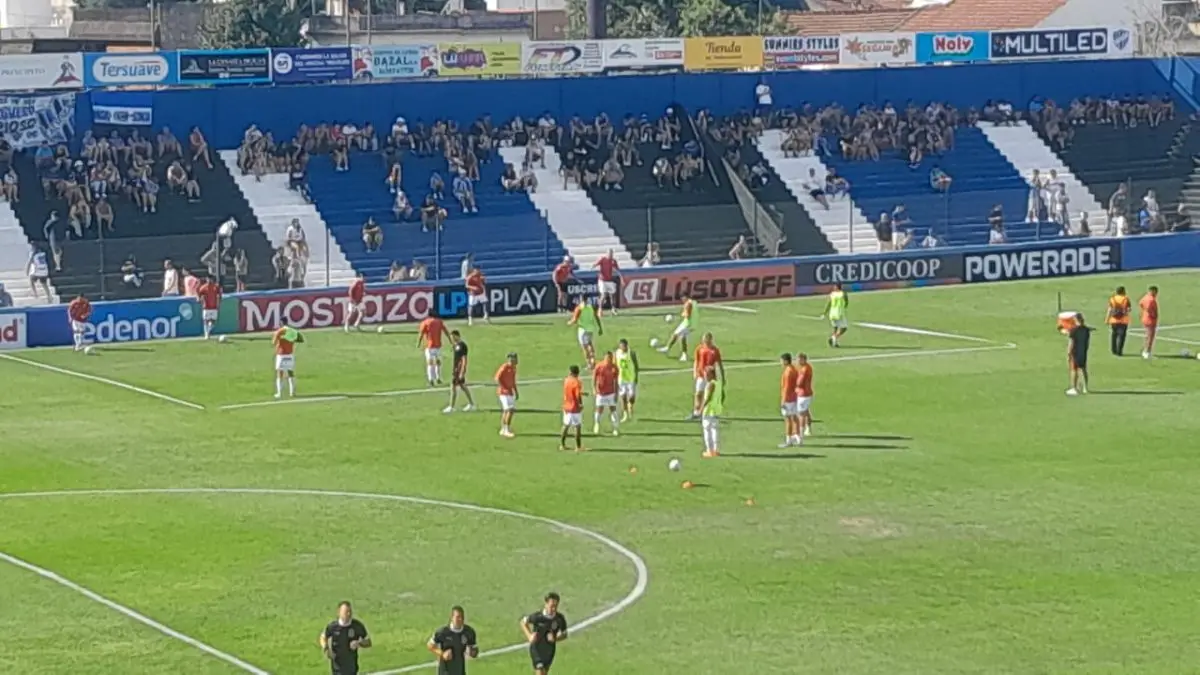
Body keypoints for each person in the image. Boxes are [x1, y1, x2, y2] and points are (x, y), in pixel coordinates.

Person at [520, 592, 568, 675]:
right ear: (546, 604)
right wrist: (529, 636)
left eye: (555, 606)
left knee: (544, 673)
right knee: (540, 672)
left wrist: (555, 638)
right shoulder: (537, 617)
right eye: (551, 606)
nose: (553, 609)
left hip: (549, 650)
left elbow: (564, 634)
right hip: (537, 648)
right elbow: (523, 622)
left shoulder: (559, 618)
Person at [320, 601, 370, 675]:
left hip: (352, 668)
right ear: (339, 613)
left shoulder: (357, 626)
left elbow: (368, 642)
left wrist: (359, 643)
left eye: (350, 612)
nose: (349, 614)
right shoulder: (333, 627)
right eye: (346, 612)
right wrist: (326, 649)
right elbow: (323, 637)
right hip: (337, 668)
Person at [427, 605, 478, 675]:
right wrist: (443, 654)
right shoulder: (443, 632)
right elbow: (430, 645)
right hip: (445, 671)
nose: (460, 619)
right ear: (452, 617)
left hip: (460, 671)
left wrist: (473, 652)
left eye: (462, 617)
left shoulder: (468, 632)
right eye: (458, 617)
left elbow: (474, 649)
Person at [690, 332, 725, 420]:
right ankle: (696, 412)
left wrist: (723, 376)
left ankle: (711, 412)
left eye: (708, 339)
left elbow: (719, 364)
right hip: (701, 375)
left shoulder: (715, 350)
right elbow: (696, 361)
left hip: (710, 376)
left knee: (710, 395)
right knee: (698, 393)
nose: (706, 341)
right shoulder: (699, 349)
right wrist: (694, 372)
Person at [656, 293, 696, 362]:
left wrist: (683, 314)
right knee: (681, 336)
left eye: (682, 298)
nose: (682, 300)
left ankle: (668, 348)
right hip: (691, 322)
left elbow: (687, 315)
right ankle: (683, 354)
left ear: (685, 297)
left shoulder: (688, 303)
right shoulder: (693, 302)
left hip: (688, 323)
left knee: (677, 335)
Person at [444, 330, 476, 413]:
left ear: (457, 336)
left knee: (453, 387)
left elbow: (464, 359)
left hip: (459, 369)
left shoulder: (462, 346)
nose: (452, 338)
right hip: (456, 369)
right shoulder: (456, 345)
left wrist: (462, 371)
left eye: (453, 336)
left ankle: (451, 406)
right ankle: (471, 404)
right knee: (462, 386)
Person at [566, 297, 602, 369]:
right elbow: (596, 317)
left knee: (584, 347)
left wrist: (569, 323)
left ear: (580, 300)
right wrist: (600, 327)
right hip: (590, 329)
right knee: (590, 345)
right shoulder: (591, 307)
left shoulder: (579, 308)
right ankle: (593, 360)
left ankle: (589, 363)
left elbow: (575, 320)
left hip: (582, 330)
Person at [418, 315, 451, 387]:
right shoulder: (439, 322)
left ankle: (431, 380)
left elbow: (421, 334)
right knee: (438, 363)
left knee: (430, 363)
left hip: (429, 346)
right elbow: (446, 332)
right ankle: (438, 377)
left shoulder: (425, 322)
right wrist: (450, 340)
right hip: (438, 346)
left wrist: (418, 343)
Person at [592, 351, 620, 436]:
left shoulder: (614, 368)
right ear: (604, 358)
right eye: (608, 358)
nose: (609, 359)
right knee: (599, 409)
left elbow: (616, 382)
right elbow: (594, 378)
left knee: (613, 410)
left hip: (610, 392)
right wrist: (594, 389)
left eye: (610, 358)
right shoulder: (599, 366)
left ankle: (615, 428)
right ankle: (596, 424)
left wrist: (616, 393)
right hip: (601, 392)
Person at [779, 353, 802, 448]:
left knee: (788, 419)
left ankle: (788, 440)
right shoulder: (794, 370)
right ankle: (798, 437)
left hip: (788, 399)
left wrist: (783, 401)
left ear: (785, 361)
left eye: (781, 360)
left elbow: (786, 387)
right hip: (794, 397)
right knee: (794, 417)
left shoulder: (788, 372)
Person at [273, 325, 303, 398]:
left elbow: (273, 342)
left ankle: (279, 393)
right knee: (290, 373)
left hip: (281, 355)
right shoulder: (292, 331)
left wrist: (279, 339)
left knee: (280, 373)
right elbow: (300, 339)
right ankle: (292, 392)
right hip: (290, 354)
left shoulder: (279, 331)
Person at [559, 366, 585, 452]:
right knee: (577, 427)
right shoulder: (577, 382)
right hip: (575, 408)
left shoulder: (566, 380)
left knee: (565, 426)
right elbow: (577, 395)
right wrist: (580, 404)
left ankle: (562, 445)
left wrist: (582, 393)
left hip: (566, 406)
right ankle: (578, 447)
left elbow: (571, 392)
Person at [699, 365, 722, 458]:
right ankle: (715, 450)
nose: (705, 376)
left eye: (706, 374)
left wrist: (701, 408)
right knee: (714, 430)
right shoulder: (718, 383)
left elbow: (707, 398)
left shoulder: (710, 384)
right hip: (716, 410)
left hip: (709, 410)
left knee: (707, 430)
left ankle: (709, 450)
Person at [614, 339, 640, 422]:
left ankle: (630, 404)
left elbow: (636, 366)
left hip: (630, 378)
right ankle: (625, 413)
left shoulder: (631, 353)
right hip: (621, 378)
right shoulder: (617, 353)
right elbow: (615, 363)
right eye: (621, 346)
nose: (622, 347)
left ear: (626, 346)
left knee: (632, 396)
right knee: (623, 396)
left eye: (624, 346)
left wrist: (636, 377)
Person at [1066, 313, 1092, 396]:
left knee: (1074, 370)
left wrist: (1068, 353)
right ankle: (1085, 388)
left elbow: (1071, 343)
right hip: (1083, 351)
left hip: (1075, 351)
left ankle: (1074, 388)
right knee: (1083, 369)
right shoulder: (1086, 330)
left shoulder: (1073, 330)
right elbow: (1087, 342)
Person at [495, 352, 519, 438]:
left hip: (509, 392)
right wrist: (503, 387)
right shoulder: (505, 367)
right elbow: (497, 378)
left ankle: (503, 429)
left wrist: (515, 391)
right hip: (503, 393)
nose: (517, 360)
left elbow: (513, 381)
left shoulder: (513, 368)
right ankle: (506, 430)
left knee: (506, 411)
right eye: (515, 358)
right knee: (510, 410)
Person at [1106, 285, 1131, 356]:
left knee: (1114, 335)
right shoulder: (1126, 299)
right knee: (1122, 336)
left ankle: (1113, 350)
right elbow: (1128, 309)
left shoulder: (1112, 299)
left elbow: (1110, 309)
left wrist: (1107, 319)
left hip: (1114, 320)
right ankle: (1119, 351)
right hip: (1123, 320)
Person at [592, 250, 619, 315]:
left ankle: (613, 309)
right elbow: (595, 264)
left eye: (612, 254)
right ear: (607, 254)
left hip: (610, 280)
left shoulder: (613, 261)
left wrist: (615, 271)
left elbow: (617, 269)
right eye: (609, 254)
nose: (611, 255)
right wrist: (593, 265)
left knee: (612, 295)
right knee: (603, 295)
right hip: (602, 280)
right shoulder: (602, 259)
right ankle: (600, 309)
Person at [822, 282, 849, 347]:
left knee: (835, 328)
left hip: (832, 313)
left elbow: (829, 304)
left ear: (836, 287)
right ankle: (834, 338)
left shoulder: (832, 294)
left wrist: (824, 313)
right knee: (844, 328)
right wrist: (844, 306)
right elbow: (846, 302)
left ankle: (835, 343)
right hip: (839, 313)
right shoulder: (843, 294)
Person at [197, 275, 222, 340]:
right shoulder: (203, 287)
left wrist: (219, 303)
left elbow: (219, 295)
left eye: (210, 279)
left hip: (214, 306)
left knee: (213, 321)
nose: (209, 280)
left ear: (212, 280)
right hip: (206, 307)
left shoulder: (216, 287)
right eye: (208, 279)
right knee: (205, 320)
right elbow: (199, 294)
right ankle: (206, 334)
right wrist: (199, 299)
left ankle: (208, 331)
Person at [795, 352, 814, 437]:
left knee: (801, 413)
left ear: (803, 359)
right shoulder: (807, 367)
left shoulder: (805, 369)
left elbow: (799, 383)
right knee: (806, 411)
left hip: (803, 394)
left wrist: (794, 384)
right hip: (807, 393)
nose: (797, 361)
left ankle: (801, 433)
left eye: (799, 359)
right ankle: (808, 428)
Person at [1139, 285, 1159, 359]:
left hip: (1145, 318)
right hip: (1150, 320)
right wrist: (1153, 314)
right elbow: (1150, 309)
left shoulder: (1145, 297)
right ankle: (1147, 352)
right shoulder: (1151, 299)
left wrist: (1145, 311)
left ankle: (1145, 350)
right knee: (1150, 337)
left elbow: (1140, 303)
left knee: (1147, 336)